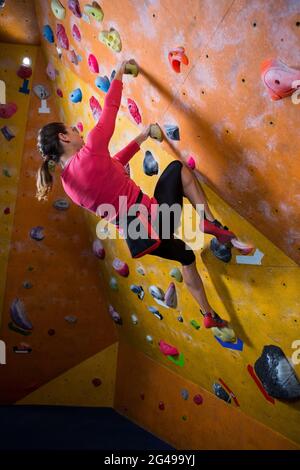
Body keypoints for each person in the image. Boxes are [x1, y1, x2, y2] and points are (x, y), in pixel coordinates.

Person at [36, 59, 249, 328]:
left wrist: (143, 137)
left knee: (186, 256)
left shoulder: (68, 184)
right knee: (178, 170)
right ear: (63, 138)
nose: (77, 132)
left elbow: (111, 165)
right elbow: (110, 111)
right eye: (72, 130)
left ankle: (208, 314)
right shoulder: (90, 151)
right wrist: (121, 71)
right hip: (154, 219)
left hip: (140, 239)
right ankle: (210, 222)